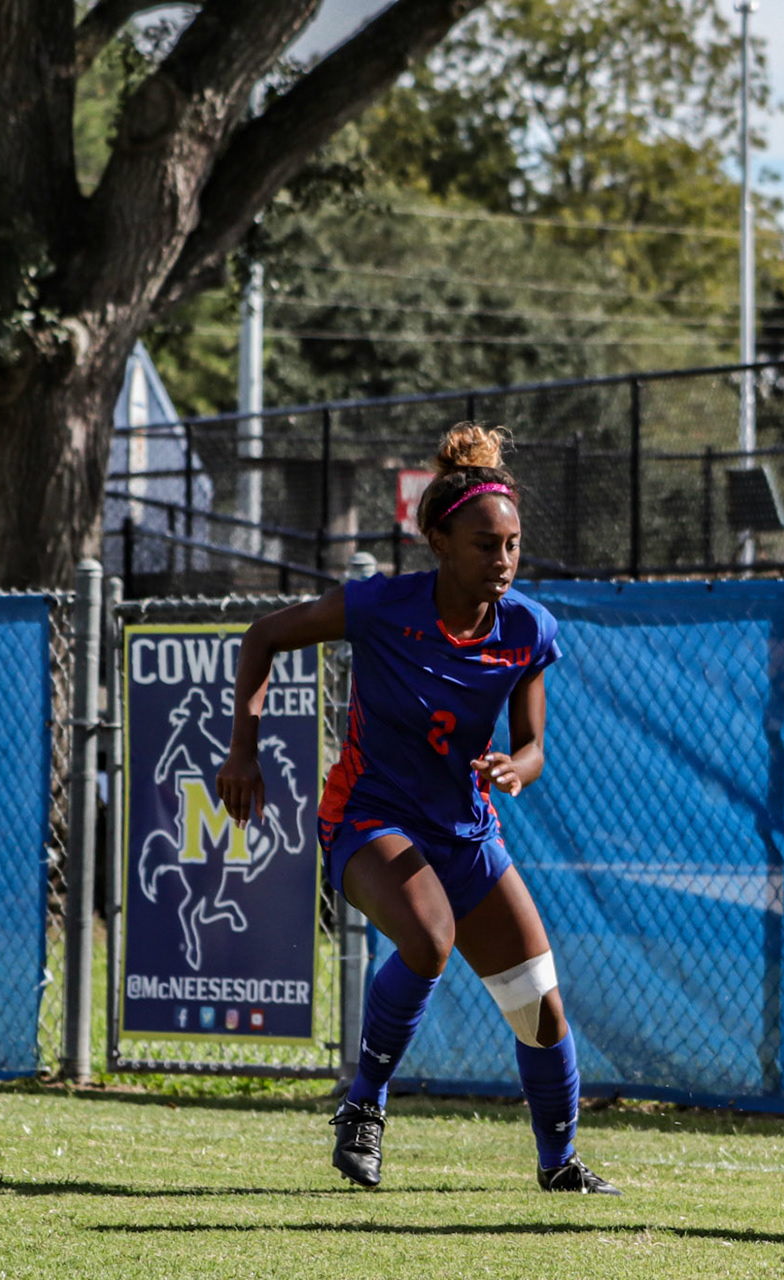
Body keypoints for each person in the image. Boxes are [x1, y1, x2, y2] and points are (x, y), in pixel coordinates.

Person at [214, 423, 619, 1196]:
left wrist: (515, 766)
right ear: (438, 539)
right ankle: (363, 1103)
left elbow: (534, 745)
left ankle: (559, 1163)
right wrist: (244, 751)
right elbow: (264, 636)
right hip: (368, 815)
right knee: (430, 940)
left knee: (538, 1004)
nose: (502, 561)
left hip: (464, 829)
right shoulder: (380, 608)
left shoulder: (527, 627)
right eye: (484, 544)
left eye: (513, 545)